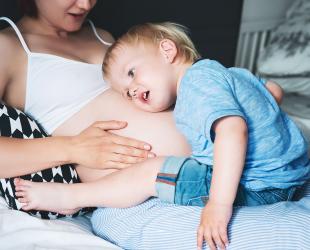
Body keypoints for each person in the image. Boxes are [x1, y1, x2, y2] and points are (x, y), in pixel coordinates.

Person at [12, 21, 309, 250]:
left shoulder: (196, 83)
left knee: (150, 173)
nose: (131, 92)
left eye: (131, 74)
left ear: (168, 51)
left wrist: (219, 205)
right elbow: (273, 91)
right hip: (288, 174)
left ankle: (70, 197)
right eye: (125, 93)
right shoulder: (219, 73)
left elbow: (233, 130)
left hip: (258, 185)